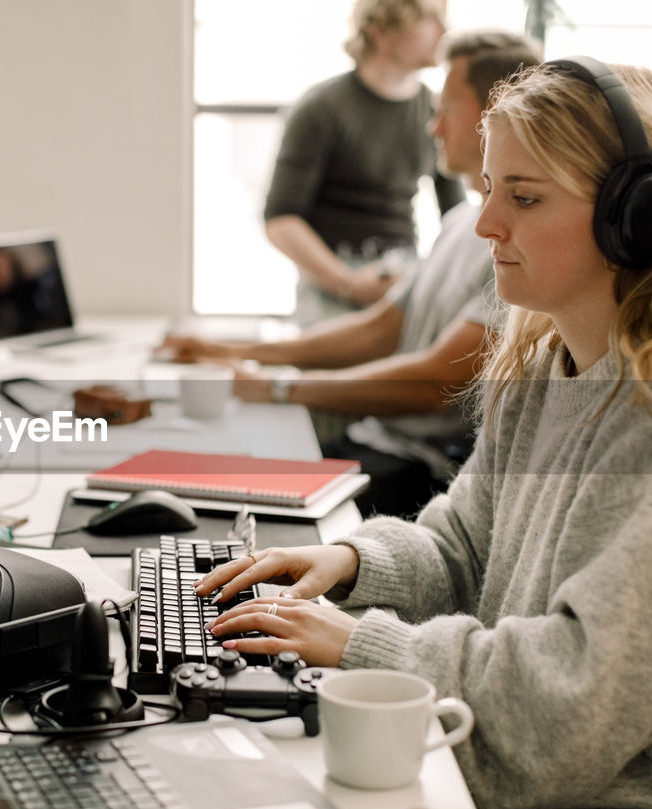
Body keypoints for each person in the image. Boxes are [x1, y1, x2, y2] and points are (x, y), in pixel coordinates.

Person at [199, 60, 652, 809]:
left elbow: (577, 700)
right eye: (489, 190)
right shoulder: (550, 358)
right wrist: (346, 561)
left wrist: (361, 642)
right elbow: (466, 543)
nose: (486, 226)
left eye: (526, 197)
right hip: (551, 798)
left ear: (636, 216)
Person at [162, 30, 542, 519]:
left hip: (412, 473)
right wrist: (232, 352)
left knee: (213, 496)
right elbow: (382, 328)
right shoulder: (457, 224)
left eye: (445, 109)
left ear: (496, 112)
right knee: (201, 471)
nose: (433, 128)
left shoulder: (509, 242)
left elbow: (435, 385)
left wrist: (277, 386)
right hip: (372, 443)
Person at [265, 0, 466, 324]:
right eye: (431, 20)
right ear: (382, 32)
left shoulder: (434, 110)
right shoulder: (320, 108)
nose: (446, 32)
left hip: (404, 270)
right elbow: (280, 219)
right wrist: (347, 283)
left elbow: (456, 217)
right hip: (333, 274)